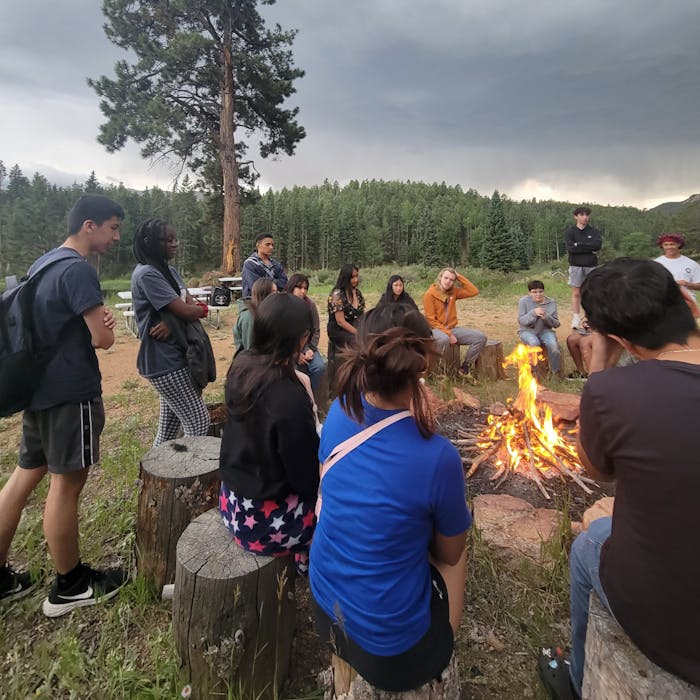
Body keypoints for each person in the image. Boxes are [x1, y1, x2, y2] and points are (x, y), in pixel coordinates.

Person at [539, 258, 700, 699]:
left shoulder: (616, 392)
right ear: (686, 300)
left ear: (615, 339)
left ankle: (576, 679)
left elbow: (596, 469)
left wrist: (599, 369)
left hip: (677, 630)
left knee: (591, 539)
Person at [310, 303, 471, 692]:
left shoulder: (338, 412)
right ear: (422, 365)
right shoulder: (439, 457)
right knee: (459, 547)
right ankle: (441, 649)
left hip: (323, 608)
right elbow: (448, 554)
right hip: (394, 653)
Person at [0, 194, 128, 616]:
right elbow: (102, 340)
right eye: (112, 228)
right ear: (88, 226)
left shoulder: (44, 263)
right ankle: (70, 585)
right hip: (70, 394)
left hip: (37, 391)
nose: (115, 238)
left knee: (20, 482)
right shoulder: (78, 272)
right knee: (66, 485)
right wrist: (105, 325)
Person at [219, 293, 320, 573]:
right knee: (339, 505)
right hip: (267, 524)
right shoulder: (288, 397)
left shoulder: (242, 364)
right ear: (299, 338)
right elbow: (306, 477)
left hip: (232, 503)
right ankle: (307, 558)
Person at [131, 219, 211, 447]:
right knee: (199, 422)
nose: (175, 244)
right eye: (168, 240)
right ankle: (189, 475)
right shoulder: (147, 274)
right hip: (164, 362)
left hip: (176, 355)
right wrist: (187, 312)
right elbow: (188, 309)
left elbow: (190, 304)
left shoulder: (169, 271)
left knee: (168, 429)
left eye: (176, 239)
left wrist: (177, 316)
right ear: (150, 243)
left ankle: (155, 476)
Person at [422, 267, 487, 377]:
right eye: (446, 278)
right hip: (435, 329)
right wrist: (449, 334)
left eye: (452, 280)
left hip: (452, 328)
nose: (448, 281)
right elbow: (430, 320)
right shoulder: (429, 294)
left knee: (481, 337)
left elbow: (474, 291)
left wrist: (459, 276)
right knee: (444, 339)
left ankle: (465, 368)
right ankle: (437, 371)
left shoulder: (454, 292)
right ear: (440, 277)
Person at [285, 273, 326, 391]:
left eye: (305, 288)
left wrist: (311, 349)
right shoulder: (283, 304)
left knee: (319, 366)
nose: (303, 291)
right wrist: (294, 354)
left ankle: (308, 395)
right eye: (299, 287)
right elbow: (281, 333)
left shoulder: (310, 305)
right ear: (291, 287)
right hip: (287, 347)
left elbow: (316, 329)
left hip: (306, 345)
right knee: (290, 370)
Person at [565, 206, 602, 330]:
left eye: (587, 215)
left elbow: (597, 246)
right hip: (575, 265)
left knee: (591, 293)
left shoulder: (594, 231)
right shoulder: (570, 232)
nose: (585, 217)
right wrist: (588, 247)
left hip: (591, 266)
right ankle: (576, 317)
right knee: (576, 293)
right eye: (581, 215)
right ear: (576, 216)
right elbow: (571, 249)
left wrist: (579, 245)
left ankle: (590, 318)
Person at [517, 280, 561, 376]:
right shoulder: (523, 301)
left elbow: (557, 324)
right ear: (529, 293)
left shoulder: (551, 303)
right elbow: (521, 321)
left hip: (545, 331)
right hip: (527, 331)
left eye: (540, 291)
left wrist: (547, 317)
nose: (538, 294)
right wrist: (533, 313)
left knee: (554, 347)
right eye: (534, 292)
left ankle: (555, 373)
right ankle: (533, 373)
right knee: (534, 343)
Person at [654, 232, 700, 313]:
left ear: (679, 244)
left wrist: (687, 284)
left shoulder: (691, 264)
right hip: (664, 305)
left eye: (672, 244)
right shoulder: (655, 263)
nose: (669, 247)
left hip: (688, 306)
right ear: (662, 246)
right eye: (666, 245)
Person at [327, 263, 365, 351]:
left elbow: (361, 314)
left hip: (355, 327)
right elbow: (341, 322)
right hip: (339, 331)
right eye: (352, 277)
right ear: (345, 278)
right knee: (358, 343)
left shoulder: (358, 293)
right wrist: (358, 333)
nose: (356, 279)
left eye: (357, 276)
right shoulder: (337, 295)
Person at [233, 277, 276, 351]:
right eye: (273, 291)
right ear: (264, 294)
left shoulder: (266, 312)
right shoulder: (249, 318)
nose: (277, 294)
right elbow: (250, 349)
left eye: (276, 291)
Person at [240, 232, 288, 298]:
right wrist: (275, 282)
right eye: (267, 244)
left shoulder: (276, 264)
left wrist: (264, 280)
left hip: (275, 300)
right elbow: (256, 287)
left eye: (272, 245)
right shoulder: (250, 264)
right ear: (258, 245)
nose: (271, 247)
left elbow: (284, 283)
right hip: (254, 302)